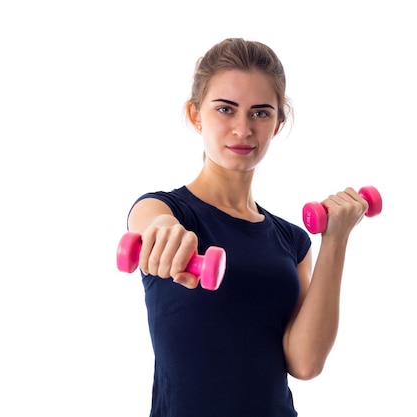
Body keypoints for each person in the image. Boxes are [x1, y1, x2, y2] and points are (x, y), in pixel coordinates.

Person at [126, 38, 369, 417]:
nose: (243, 129)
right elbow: (151, 223)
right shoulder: (166, 209)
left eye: (260, 113)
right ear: (195, 115)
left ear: (277, 124)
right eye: (226, 109)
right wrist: (165, 233)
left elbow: (305, 363)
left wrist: (335, 240)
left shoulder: (291, 240)